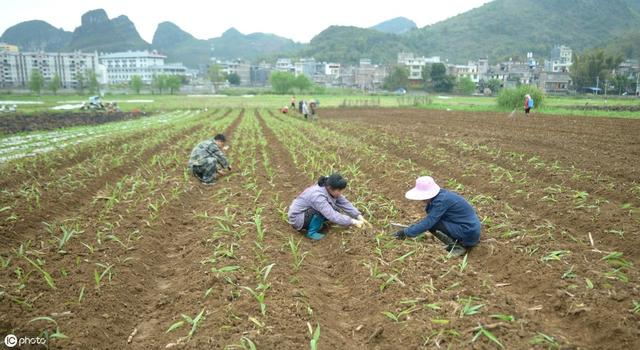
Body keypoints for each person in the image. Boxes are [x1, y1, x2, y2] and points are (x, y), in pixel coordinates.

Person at [393, 176, 481, 257]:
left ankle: (458, 247)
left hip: (468, 231)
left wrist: (406, 233)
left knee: (433, 224)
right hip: (467, 228)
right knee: (433, 223)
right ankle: (454, 242)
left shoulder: (441, 201)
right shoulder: (441, 196)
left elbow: (429, 222)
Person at [288, 173, 370, 240]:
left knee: (335, 209)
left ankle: (316, 224)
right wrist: (353, 221)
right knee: (325, 211)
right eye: (339, 190)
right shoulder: (318, 196)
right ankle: (311, 233)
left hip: (306, 213)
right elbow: (331, 215)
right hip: (298, 218)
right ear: (330, 188)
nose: (341, 193)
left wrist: (358, 216)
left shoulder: (329, 187)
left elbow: (344, 202)